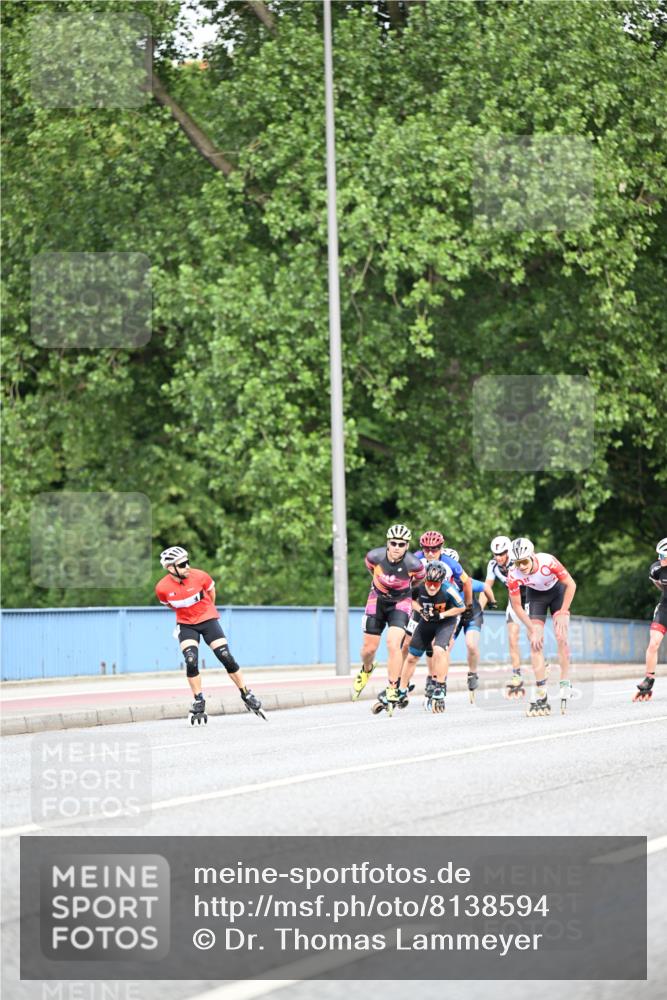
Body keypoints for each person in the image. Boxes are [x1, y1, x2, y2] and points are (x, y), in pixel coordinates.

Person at [154, 546, 263, 722]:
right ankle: (199, 700)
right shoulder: (162, 588)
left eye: (188, 561)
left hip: (207, 619)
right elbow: (169, 605)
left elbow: (211, 594)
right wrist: (187, 616)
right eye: (182, 564)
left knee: (225, 656)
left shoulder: (201, 576)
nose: (187, 566)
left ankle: (246, 693)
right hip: (186, 624)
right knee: (191, 660)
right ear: (170, 568)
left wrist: (206, 612)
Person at [352, 524, 425, 712]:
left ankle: (392, 688)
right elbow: (371, 569)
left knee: (393, 644)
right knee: (368, 649)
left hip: (400, 603)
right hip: (377, 600)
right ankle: (367, 669)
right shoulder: (374, 557)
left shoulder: (414, 565)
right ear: (387, 543)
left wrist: (403, 590)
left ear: (407, 546)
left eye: (401, 544)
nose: (397, 547)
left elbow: (417, 580)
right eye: (393, 543)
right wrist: (381, 587)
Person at [506, 537, 577, 717]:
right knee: (535, 642)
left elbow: (571, 584)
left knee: (561, 637)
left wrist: (563, 612)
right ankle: (541, 692)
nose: (521, 566)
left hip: (557, 593)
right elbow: (516, 606)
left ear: (532, 556)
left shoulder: (548, 561)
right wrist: (532, 629)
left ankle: (565, 682)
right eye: (517, 562)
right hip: (535, 597)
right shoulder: (513, 574)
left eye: (524, 561)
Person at [399, 561, 465, 713]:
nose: (432, 587)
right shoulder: (419, 586)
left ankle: (440, 686)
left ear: (442, 581)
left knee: (439, 651)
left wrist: (442, 614)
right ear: (425, 580)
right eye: (429, 583)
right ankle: (401, 689)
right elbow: (409, 600)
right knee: (411, 657)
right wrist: (421, 611)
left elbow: (461, 607)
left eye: (436, 583)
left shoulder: (449, 589)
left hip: (445, 623)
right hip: (427, 622)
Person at [443, 547, 495, 700]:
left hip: (472, 615)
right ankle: (441, 679)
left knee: (471, 645)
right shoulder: (437, 580)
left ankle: (472, 673)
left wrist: (492, 601)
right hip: (455, 616)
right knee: (445, 647)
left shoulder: (465, 580)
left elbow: (485, 586)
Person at [484, 535, 529, 698]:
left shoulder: (518, 562)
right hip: (514, 602)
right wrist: (477, 610)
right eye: (495, 554)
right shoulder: (493, 565)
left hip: (530, 599)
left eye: (502, 553)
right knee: (512, 638)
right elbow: (486, 588)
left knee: (533, 637)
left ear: (508, 551)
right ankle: (517, 674)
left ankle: (542, 664)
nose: (498, 557)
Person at [634, 537, 667, 702]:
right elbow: (659, 586)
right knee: (653, 642)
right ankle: (649, 678)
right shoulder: (656, 569)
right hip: (665, 607)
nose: (660, 560)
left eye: (663, 557)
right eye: (659, 556)